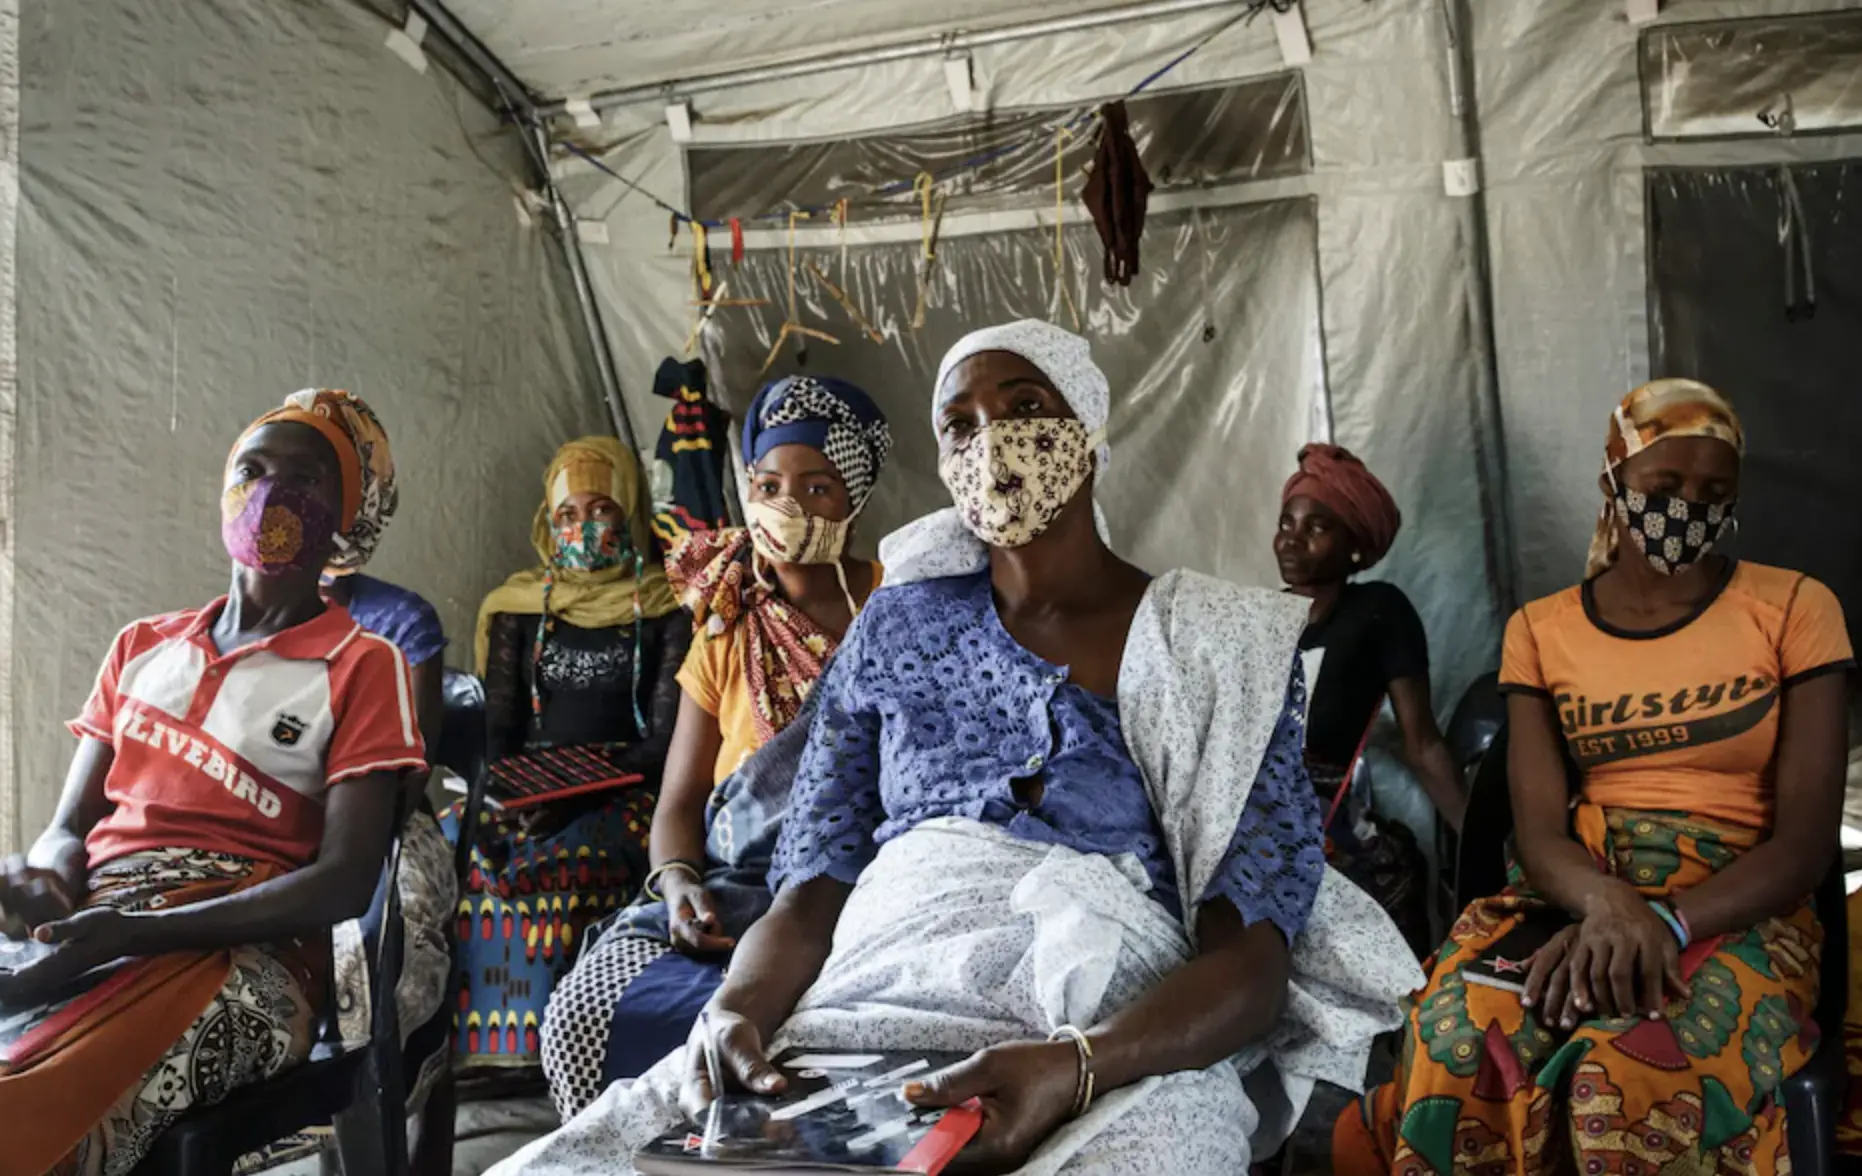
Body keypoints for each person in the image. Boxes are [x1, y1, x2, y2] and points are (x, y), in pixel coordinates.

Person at [488, 320, 1416, 1176]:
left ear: (1087, 430)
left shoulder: (1218, 645)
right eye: (961, 423)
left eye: (1024, 408)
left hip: (1106, 1038)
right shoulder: (896, 627)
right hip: (865, 1004)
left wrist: (1079, 1067)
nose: (994, 440)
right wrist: (737, 1011)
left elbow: (1250, 967)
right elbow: (811, 891)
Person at [1335, 378, 1851, 1176]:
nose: (1690, 508)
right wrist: (1610, 906)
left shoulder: (1795, 609)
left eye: (1715, 492)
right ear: (1614, 483)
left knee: (1633, 1071)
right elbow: (1537, 829)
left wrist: (1668, 923)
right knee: (1460, 1037)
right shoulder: (1541, 630)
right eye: (1665, 487)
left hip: (1741, 900)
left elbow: (1808, 839)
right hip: (1578, 888)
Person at [0, 400, 425, 1175]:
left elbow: (343, 882)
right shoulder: (143, 646)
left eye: (305, 478)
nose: (270, 494)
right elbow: (70, 825)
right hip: (99, 923)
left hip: (245, 958)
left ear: (346, 517)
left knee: (23, 1110)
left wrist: (141, 932)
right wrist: (45, 880)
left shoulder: (363, 665)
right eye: (251, 471)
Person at [540, 375, 891, 1119]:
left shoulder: (901, 608)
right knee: (585, 1012)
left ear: (855, 497)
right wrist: (677, 883)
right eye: (767, 484)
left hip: (856, 889)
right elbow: (680, 803)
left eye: (818, 486)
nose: (786, 507)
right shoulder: (727, 627)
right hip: (734, 894)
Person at [442, 437, 691, 1077]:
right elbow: (497, 726)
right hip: (532, 782)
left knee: (565, 861)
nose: (583, 528)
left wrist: (573, 797)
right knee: (454, 843)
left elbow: (665, 743)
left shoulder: (667, 605)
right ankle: (478, 1051)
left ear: (630, 513)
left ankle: (548, 1048)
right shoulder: (517, 607)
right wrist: (508, 793)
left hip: (630, 783)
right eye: (567, 515)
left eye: (600, 509)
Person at [1276, 444, 1463, 954]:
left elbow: (1421, 744)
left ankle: (1398, 1025)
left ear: (1356, 545)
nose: (1293, 540)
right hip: (1257, 811)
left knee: (1389, 877)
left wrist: (1482, 840)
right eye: (1286, 523)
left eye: (1317, 526)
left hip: (1328, 818)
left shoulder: (1379, 611)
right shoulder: (1258, 617)